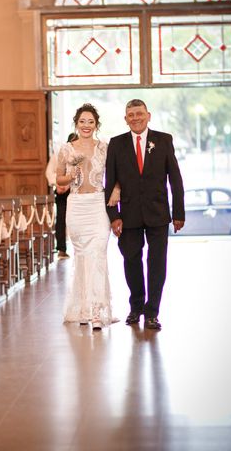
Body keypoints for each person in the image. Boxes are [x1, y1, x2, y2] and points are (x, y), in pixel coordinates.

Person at [105, 99, 184, 331]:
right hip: (128, 214)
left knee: (157, 263)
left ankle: (152, 312)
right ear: (125, 119)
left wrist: (178, 212)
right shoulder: (116, 144)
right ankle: (136, 306)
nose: (136, 118)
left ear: (148, 115)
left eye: (139, 114)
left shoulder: (163, 140)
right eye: (131, 115)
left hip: (158, 213)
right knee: (131, 261)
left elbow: (175, 178)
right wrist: (113, 215)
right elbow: (110, 181)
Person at [56, 103, 113, 330]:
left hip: (98, 205)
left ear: (96, 125)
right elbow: (59, 181)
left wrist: (115, 191)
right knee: (81, 257)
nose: (86, 126)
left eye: (90, 122)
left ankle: (97, 310)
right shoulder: (66, 149)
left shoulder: (105, 147)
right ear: (76, 124)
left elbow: (115, 175)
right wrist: (70, 174)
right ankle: (82, 308)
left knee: (98, 254)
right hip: (77, 205)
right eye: (82, 121)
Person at [45, 132, 77, 258]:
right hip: (61, 191)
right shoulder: (58, 155)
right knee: (61, 219)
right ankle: (61, 249)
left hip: (75, 190)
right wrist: (58, 184)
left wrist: (68, 184)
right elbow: (49, 172)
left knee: (76, 219)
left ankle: (79, 248)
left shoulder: (80, 156)